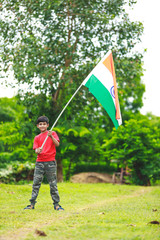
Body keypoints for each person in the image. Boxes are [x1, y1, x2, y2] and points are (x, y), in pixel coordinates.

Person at [24, 116, 64, 211]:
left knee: (53, 184)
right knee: (36, 184)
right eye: (40, 124)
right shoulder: (37, 137)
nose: (42, 126)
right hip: (40, 163)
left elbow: (57, 144)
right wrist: (38, 150)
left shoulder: (52, 133)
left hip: (50, 162)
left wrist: (51, 136)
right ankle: (32, 204)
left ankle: (57, 204)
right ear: (38, 126)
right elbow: (36, 150)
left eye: (44, 124)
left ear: (47, 125)